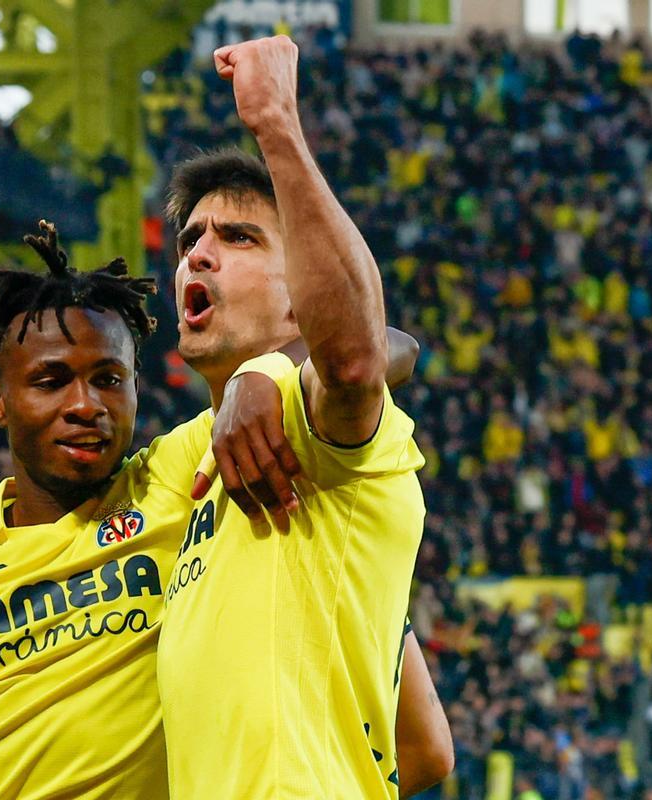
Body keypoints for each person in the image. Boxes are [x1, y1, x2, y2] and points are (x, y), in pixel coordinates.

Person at [0, 220, 442, 799]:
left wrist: (260, 371)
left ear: (137, 388)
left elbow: (382, 347)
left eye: (108, 379)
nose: (84, 405)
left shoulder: (186, 476)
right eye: (51, 381)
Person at [155, 36, 438, 798]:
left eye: (238, 237)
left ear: (300, 291)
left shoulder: (318, 432)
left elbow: (356, 360)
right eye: (190, 242)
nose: (199, 256)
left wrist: (276, 122)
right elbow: (430, 751)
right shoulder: (190, 466)